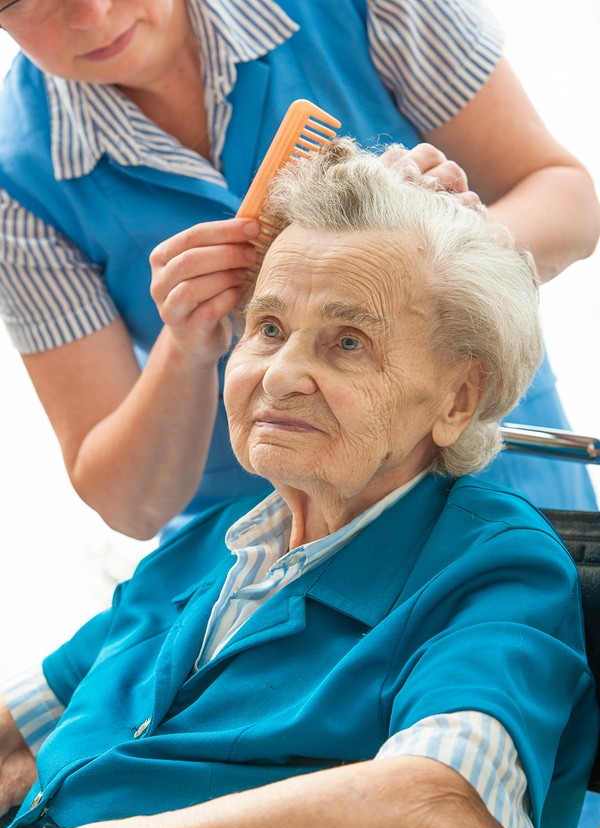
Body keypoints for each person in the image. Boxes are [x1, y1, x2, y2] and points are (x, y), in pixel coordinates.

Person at [0, 141, 597, 828]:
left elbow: (441, 804)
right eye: (269, 328)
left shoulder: (493, 567)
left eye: (347, 344)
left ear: (457, 400)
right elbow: (18, 737)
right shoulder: (211, 545)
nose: (280, 376)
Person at [0, 0, 598, 547]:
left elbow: (570, 200)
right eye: (26, 1)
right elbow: (128, 503)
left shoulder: (369, 9)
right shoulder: (17, 184)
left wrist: (442, 246)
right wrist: (184, 345)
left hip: (496, 487)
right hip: (260, 544)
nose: (93, 13)